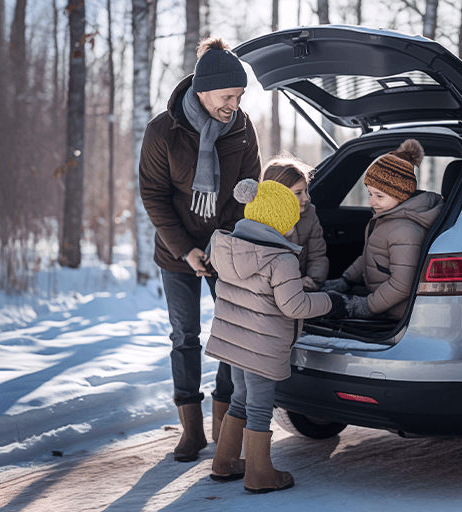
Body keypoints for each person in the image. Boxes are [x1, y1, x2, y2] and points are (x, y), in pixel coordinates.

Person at [138, 36, 262, 463]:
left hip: (225, 247)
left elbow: (249, 196)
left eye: (240, 95)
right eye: (228, 95)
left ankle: (223, 425)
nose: (235, 103)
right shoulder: (163, 131)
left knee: (230, 335)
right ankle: (190, 431)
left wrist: (225, 245)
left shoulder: (243, 130)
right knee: (184, 335)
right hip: (176, 250)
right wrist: (187, 250)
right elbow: (153, 195)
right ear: (203, 91)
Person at [205, 178, 346, 493]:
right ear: (281, 222)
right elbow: (294, 305)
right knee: (258, 405)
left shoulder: (228, 246)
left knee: (240, 398)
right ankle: (259, 474)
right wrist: (331, 303)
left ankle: (224, 462)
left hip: (234, 342)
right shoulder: (280, 259)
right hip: (261, 346)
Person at [322, 139, 444, 319]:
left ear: (400, 194)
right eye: (370, 194)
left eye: (379, 196)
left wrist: (368, 305)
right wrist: (346, 280)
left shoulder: (405, 232)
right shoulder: (387, 218)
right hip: (381, 298)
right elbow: (371, 257)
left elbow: (402, 285)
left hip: (394, 310)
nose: (371, 202)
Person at [260, 154, 328, 291]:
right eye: (298, 193)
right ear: (279, 194)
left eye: (306, 191)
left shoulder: (309, 214)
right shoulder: (260, 220)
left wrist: (313, 281)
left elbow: (317, 256)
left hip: (302, 287)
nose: (306, 198)